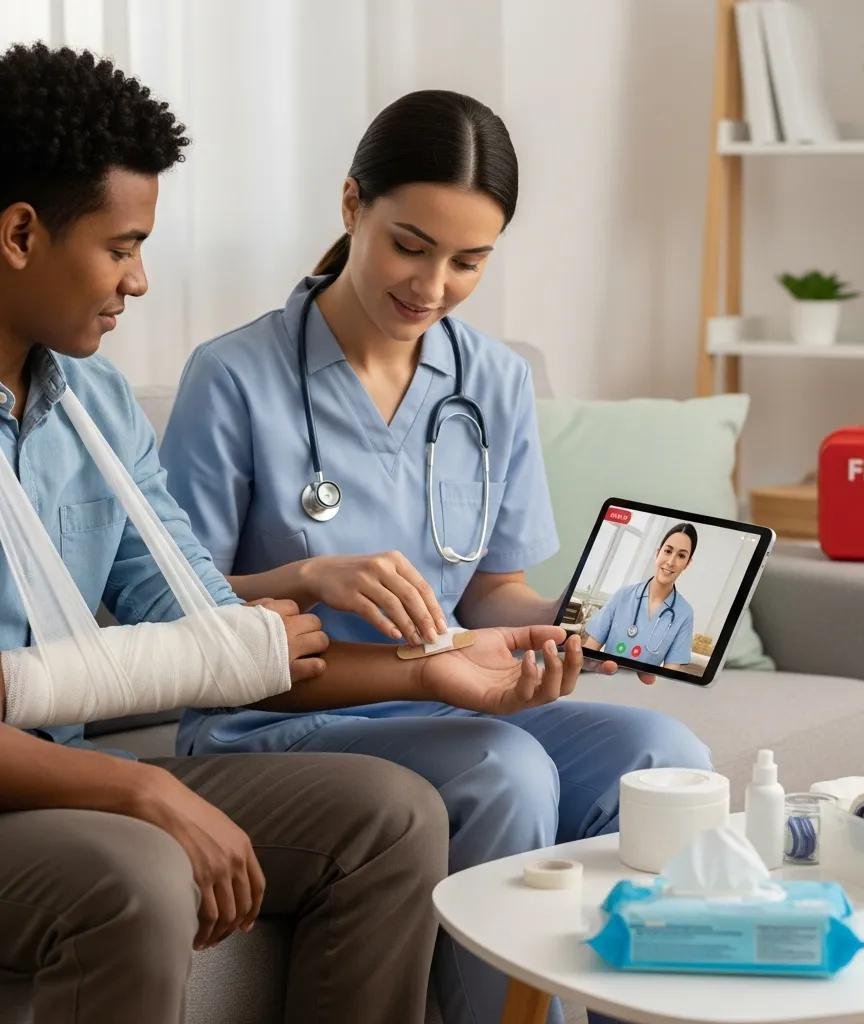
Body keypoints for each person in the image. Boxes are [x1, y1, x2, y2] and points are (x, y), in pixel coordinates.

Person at [0, 45, 577, 1024]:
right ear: (20, 233)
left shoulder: (92, 403)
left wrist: (314, 597)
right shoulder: (237, 372)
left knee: (393, 815)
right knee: (141, 867)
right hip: (50, 775)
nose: (139, 281)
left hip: (53, 762)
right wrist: (136, 791)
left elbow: (196, 615)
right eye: (122, 245)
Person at [160, 88, 712, 1024]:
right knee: (504, 768)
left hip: (450, 692)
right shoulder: (235, 377)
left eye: (470, 261)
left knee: (664, 754)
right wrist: (308, 577)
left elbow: (493, 589)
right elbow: (180, 611)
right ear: (351, 207)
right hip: (279, 720)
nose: (432, 285)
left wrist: (569, 631)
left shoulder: (492, 380)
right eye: (409, 246)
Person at [582, 522, 697, 671]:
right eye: (668, 551)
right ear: (658, 553)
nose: (670, 562)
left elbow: (669, 675)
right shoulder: (623, 595)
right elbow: (587, 655)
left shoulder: (684, 614)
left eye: (681, 556)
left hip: (642, 692)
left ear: (687, 564)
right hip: (602, 682)